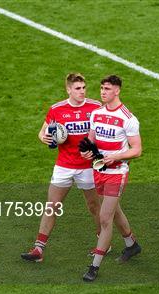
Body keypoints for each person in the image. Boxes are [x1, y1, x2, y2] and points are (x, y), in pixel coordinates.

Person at [21, 73, 104, 262]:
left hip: (88, 167)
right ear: (68, 90)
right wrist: (45, 138)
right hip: (64, 166)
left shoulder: (96, 107)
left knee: (94, 206)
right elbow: (42, 132)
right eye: (77, 88)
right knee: (52, 206)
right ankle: (38, 249)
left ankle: (102, 243)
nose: (82, 92)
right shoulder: (57, 110)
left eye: (83, 88)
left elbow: (105, 135)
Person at [80, 75, 142, 282]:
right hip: (99, 171)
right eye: (101, 88)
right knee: (113, 211)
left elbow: (137, 150)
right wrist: (87, 152)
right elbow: (91, 142)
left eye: (107, 89)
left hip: (117, 172)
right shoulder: (96, 114)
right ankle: (132, 245)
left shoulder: (128, 118)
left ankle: (94, 267)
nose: (102, 92)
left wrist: (115, 156)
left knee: (105, 217)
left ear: (117, 91)